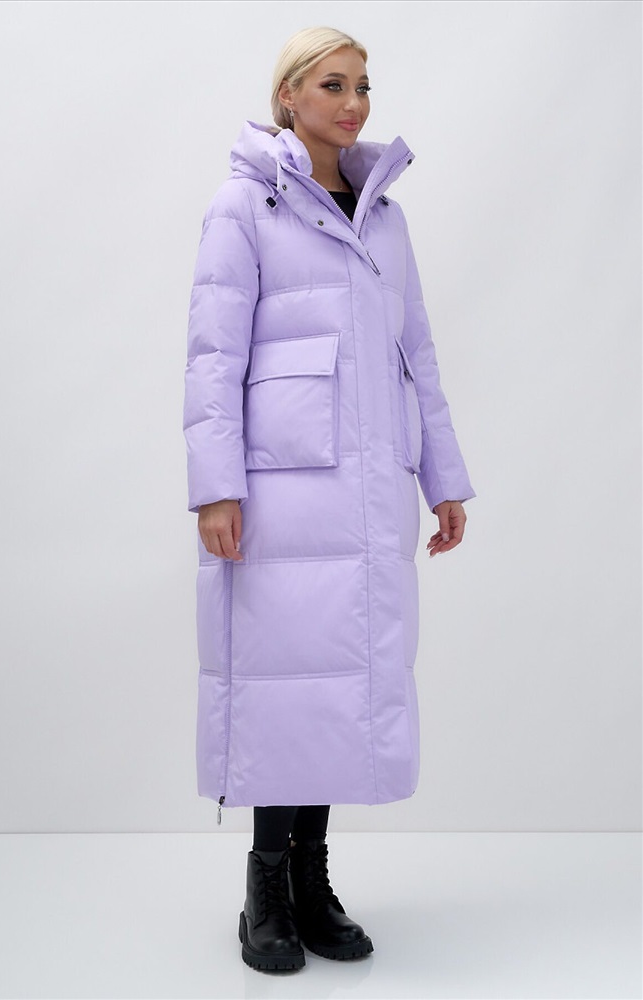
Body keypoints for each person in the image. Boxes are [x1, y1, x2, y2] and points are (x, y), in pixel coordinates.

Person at [182, 26, 476, 973]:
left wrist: (443, 480)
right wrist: (215, 488)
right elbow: (214, 357)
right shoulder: (243, 205)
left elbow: (416, 353)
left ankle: (310, 880)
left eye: (363, 86)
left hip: (370, 492)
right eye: (333, 85)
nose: (354, 104)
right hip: (279, 493)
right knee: (284, 689)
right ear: (289, 96)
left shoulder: (385, 216)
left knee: (343, 690)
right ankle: (265, 887)